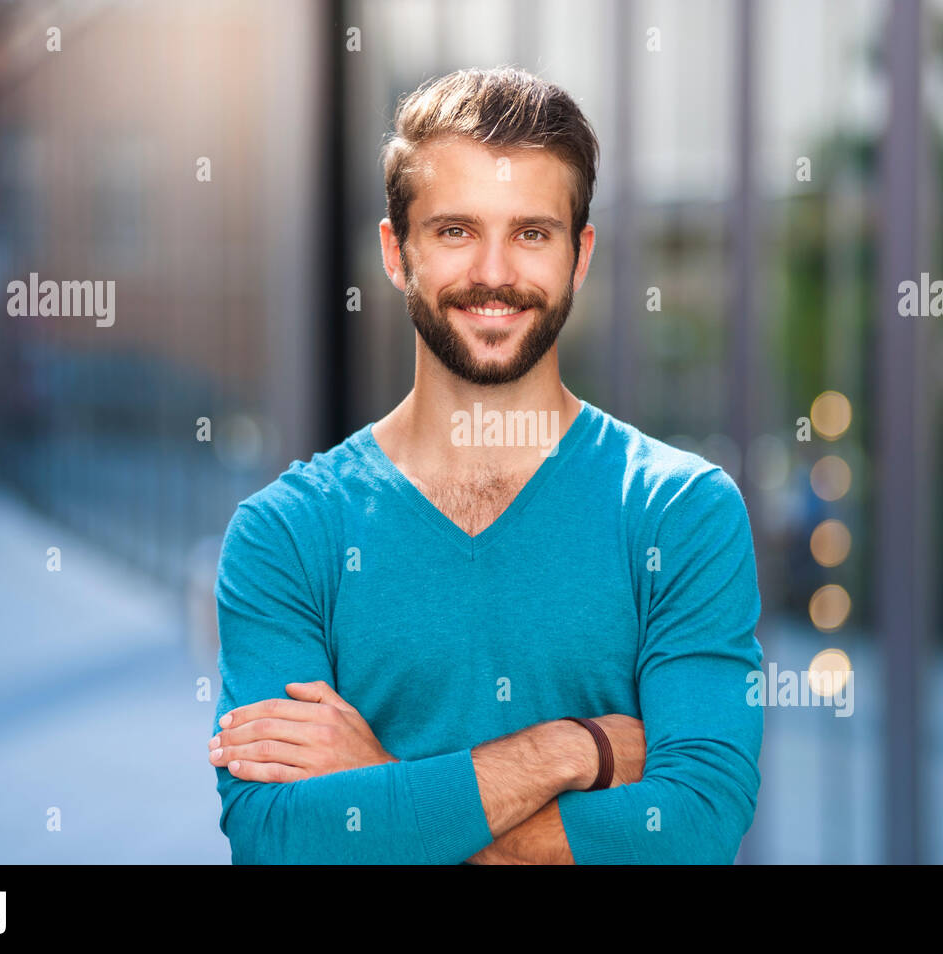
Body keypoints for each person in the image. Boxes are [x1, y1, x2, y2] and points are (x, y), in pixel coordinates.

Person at [208, 66, 762, 864]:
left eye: (532, 233)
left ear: (580, 255)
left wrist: (383, 787)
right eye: (457, 231)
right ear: (397, 253)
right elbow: (278, 837)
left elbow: (694, 825)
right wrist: (569, 751)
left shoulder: (680, 513)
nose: (496, 274)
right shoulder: (285, 534)